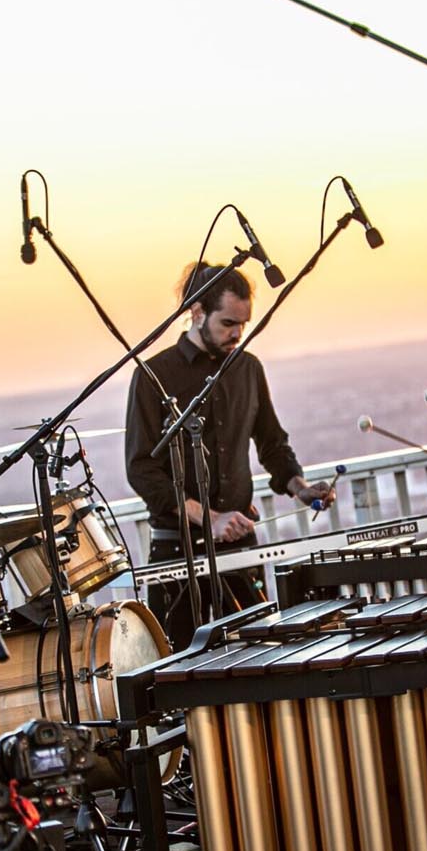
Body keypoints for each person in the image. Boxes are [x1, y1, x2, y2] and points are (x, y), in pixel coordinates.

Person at [125, 262, 334, 649]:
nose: (237, 333)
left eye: (244, 323)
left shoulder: (247, 368)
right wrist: (210, 517)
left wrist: (301, 488)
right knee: (183, 674)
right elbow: (141, 470)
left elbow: (272, 443)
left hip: (238, 552)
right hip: (178, 554)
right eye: (227, 323)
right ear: (197, 312)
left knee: (257, 659)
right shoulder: (153, 376)